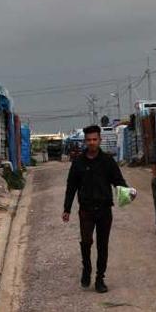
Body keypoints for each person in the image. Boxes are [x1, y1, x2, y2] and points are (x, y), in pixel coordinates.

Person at [62, 124, 128, 294]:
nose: (92, 142)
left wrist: (127, 192)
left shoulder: (107, 161)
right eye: (89, 140)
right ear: (85, 141)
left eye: (94, 139)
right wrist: (67, 208)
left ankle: (100, 278)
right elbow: (71, 186)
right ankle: (87, 269)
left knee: (102, 245)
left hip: (105, 210)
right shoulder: (78, 162)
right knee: (86, 242)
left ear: (100, 140)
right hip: (86, 210)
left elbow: (118, 181)